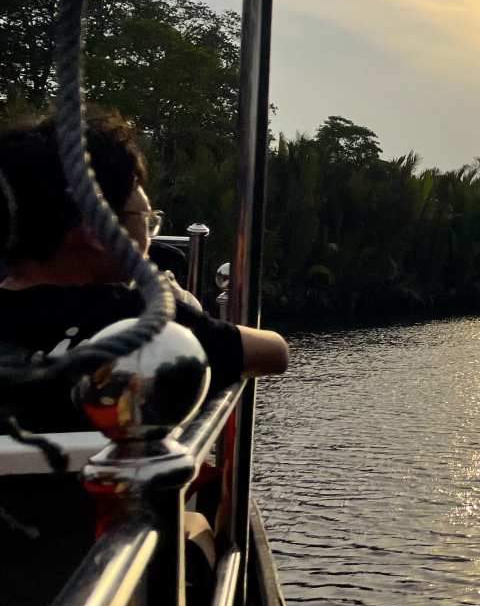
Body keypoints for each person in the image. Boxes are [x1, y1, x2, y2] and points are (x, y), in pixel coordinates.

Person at [0, 109, 288, 433]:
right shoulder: (135, 319)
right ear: (98, 228)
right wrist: (173, 303)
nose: (150, 234)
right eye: (146, 218)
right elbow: (274, 352)